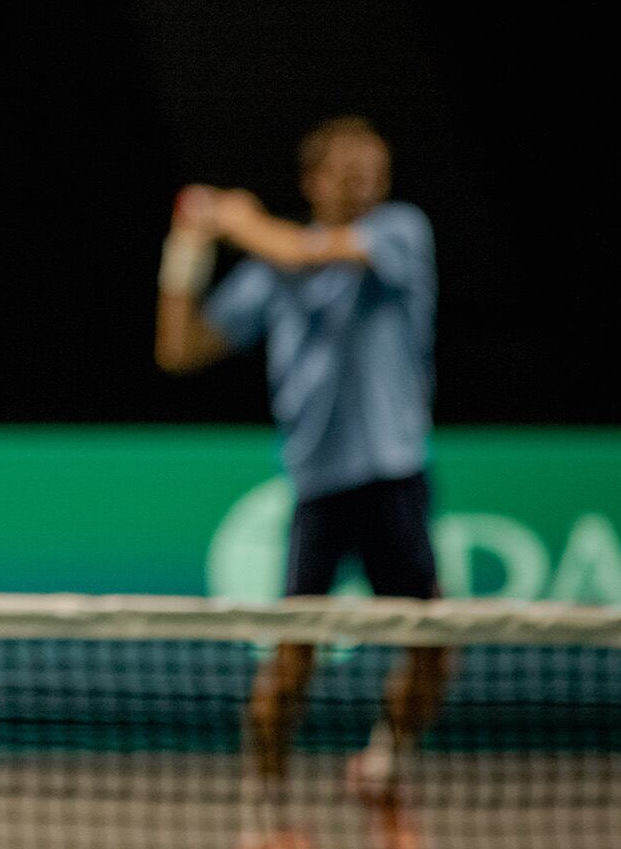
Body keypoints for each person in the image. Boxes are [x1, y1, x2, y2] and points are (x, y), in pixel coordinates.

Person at [154, 115, 450, 849]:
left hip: (395, 479)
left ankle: (380, 769)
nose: (365, 180)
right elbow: (179, 349)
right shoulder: (268, 277)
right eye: (348, 168)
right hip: (320, 489)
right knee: (291, 664)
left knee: (435, 649)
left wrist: (236, 216)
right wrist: (187, 251)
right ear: (313, 179)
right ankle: (265, 813)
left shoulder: (401, 233)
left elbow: (295, 245)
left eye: (375, 168)